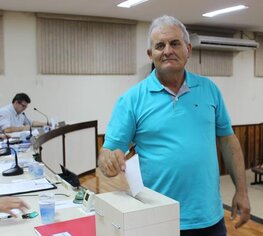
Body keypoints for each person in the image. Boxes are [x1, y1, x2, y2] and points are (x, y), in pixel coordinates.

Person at [98, 15, 250, 235]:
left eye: (174, 43)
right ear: (151, 55)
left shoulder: (210, 90)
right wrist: (109, 162)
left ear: (188, 49)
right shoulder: (131, 100)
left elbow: (228, 140)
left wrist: (242, 191)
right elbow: (107, 154)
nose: (168, 50)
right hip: (157, 219)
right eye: (160, 45)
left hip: (209, 219)